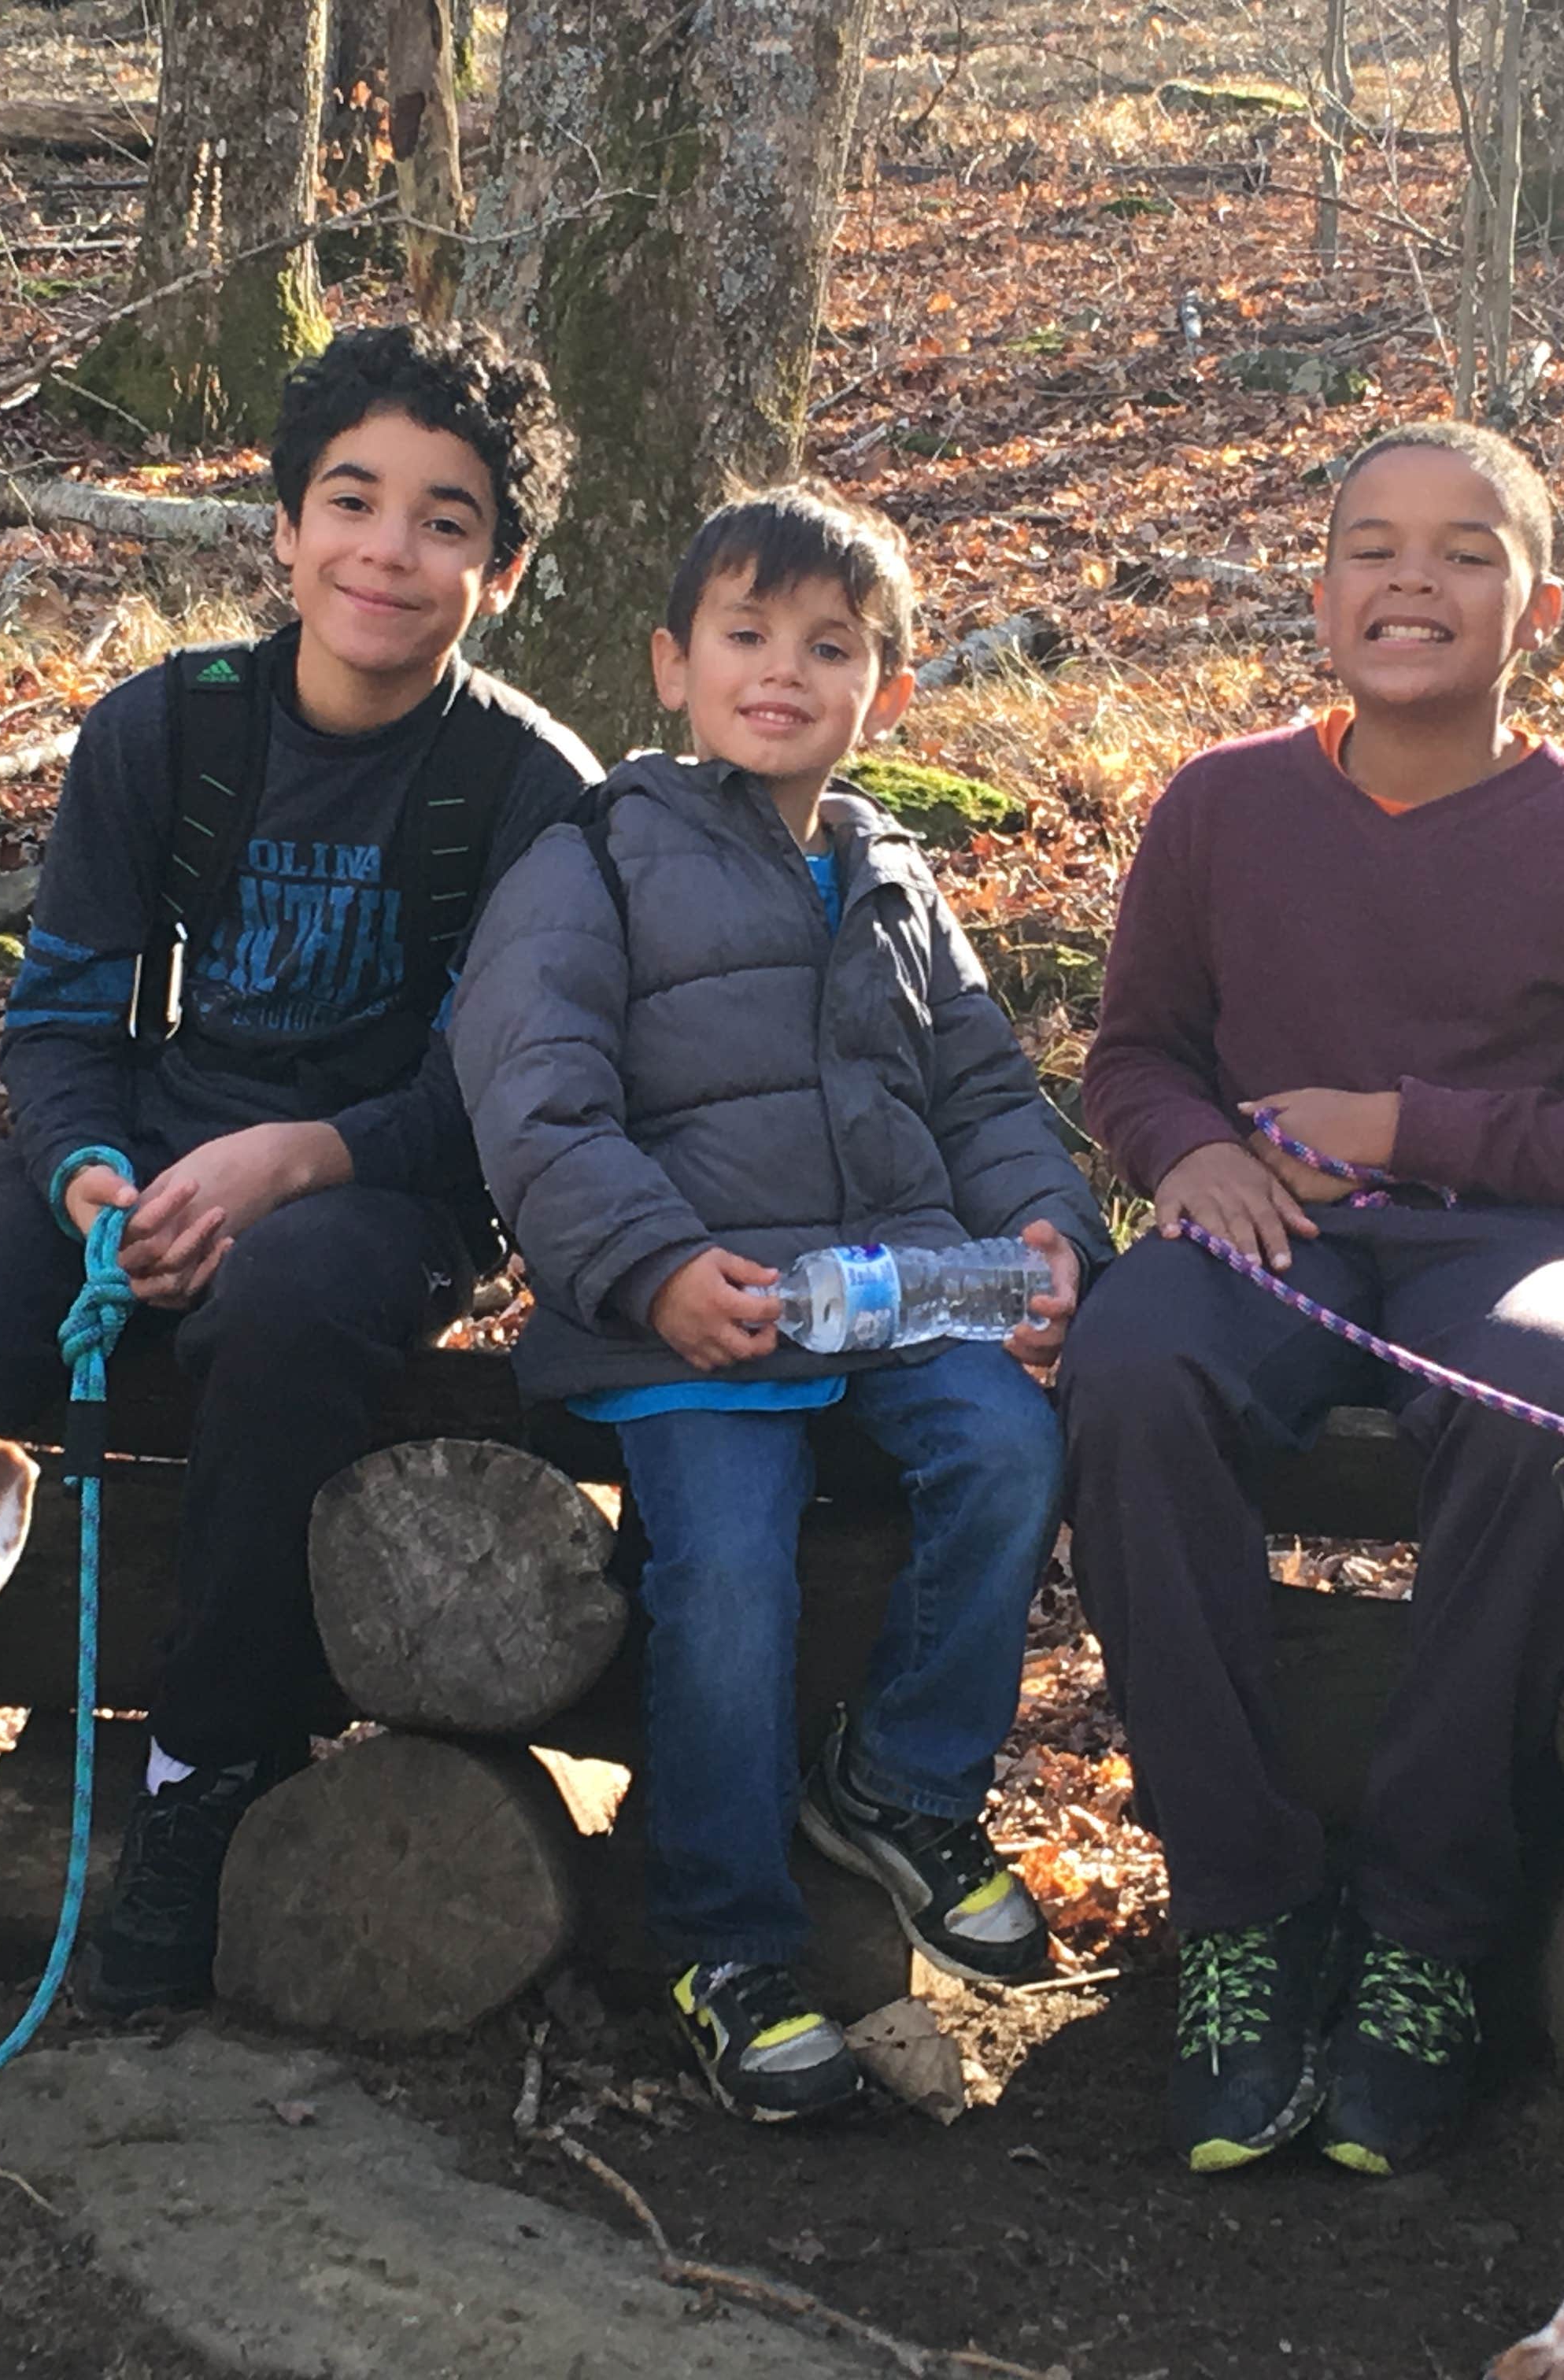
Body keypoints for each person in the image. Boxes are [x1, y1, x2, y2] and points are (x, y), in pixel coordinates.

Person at [0, 323, 600, 2014]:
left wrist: (296, 1164)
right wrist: (95, 1174)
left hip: (386, 1185)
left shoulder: (533, 792)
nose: (390, 552)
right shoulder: (170, 732)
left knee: (291, 1317)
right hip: (151, 1150)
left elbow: (509, 1095)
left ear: (506, 568)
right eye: (353, 501)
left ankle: (205, 1782)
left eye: (446, 520)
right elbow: (62, 1017)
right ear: (283, 528)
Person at [1057, 422, 1564, 2177]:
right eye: (1372, 547)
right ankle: (1243, 1913)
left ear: (1545, 608)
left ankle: (1435, 1931)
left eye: (1463, 552)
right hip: (1275, 1240)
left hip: (1523, 1245)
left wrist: (1410, 1125)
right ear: (1322, 590)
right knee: (1131, 1369)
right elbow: (1134, 1060)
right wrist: (1186, 1153)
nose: (1411, 582)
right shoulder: (1223, 804)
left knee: (1549, 1409)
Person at [449, 485, 1114, 2121]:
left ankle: (900, 1781)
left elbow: (983, 1088)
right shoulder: (593, 855)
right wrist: (657, 1268)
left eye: (831, 649)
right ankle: (724, 1941)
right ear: (673, 666)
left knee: (1011, 1458)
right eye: (745, 637)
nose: (783, 674)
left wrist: (1045, 1231)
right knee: (730, 1567)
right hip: (690, 1320)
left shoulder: (891, 869)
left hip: (892, 1294)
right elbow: (532, 1094)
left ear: (886, 692)